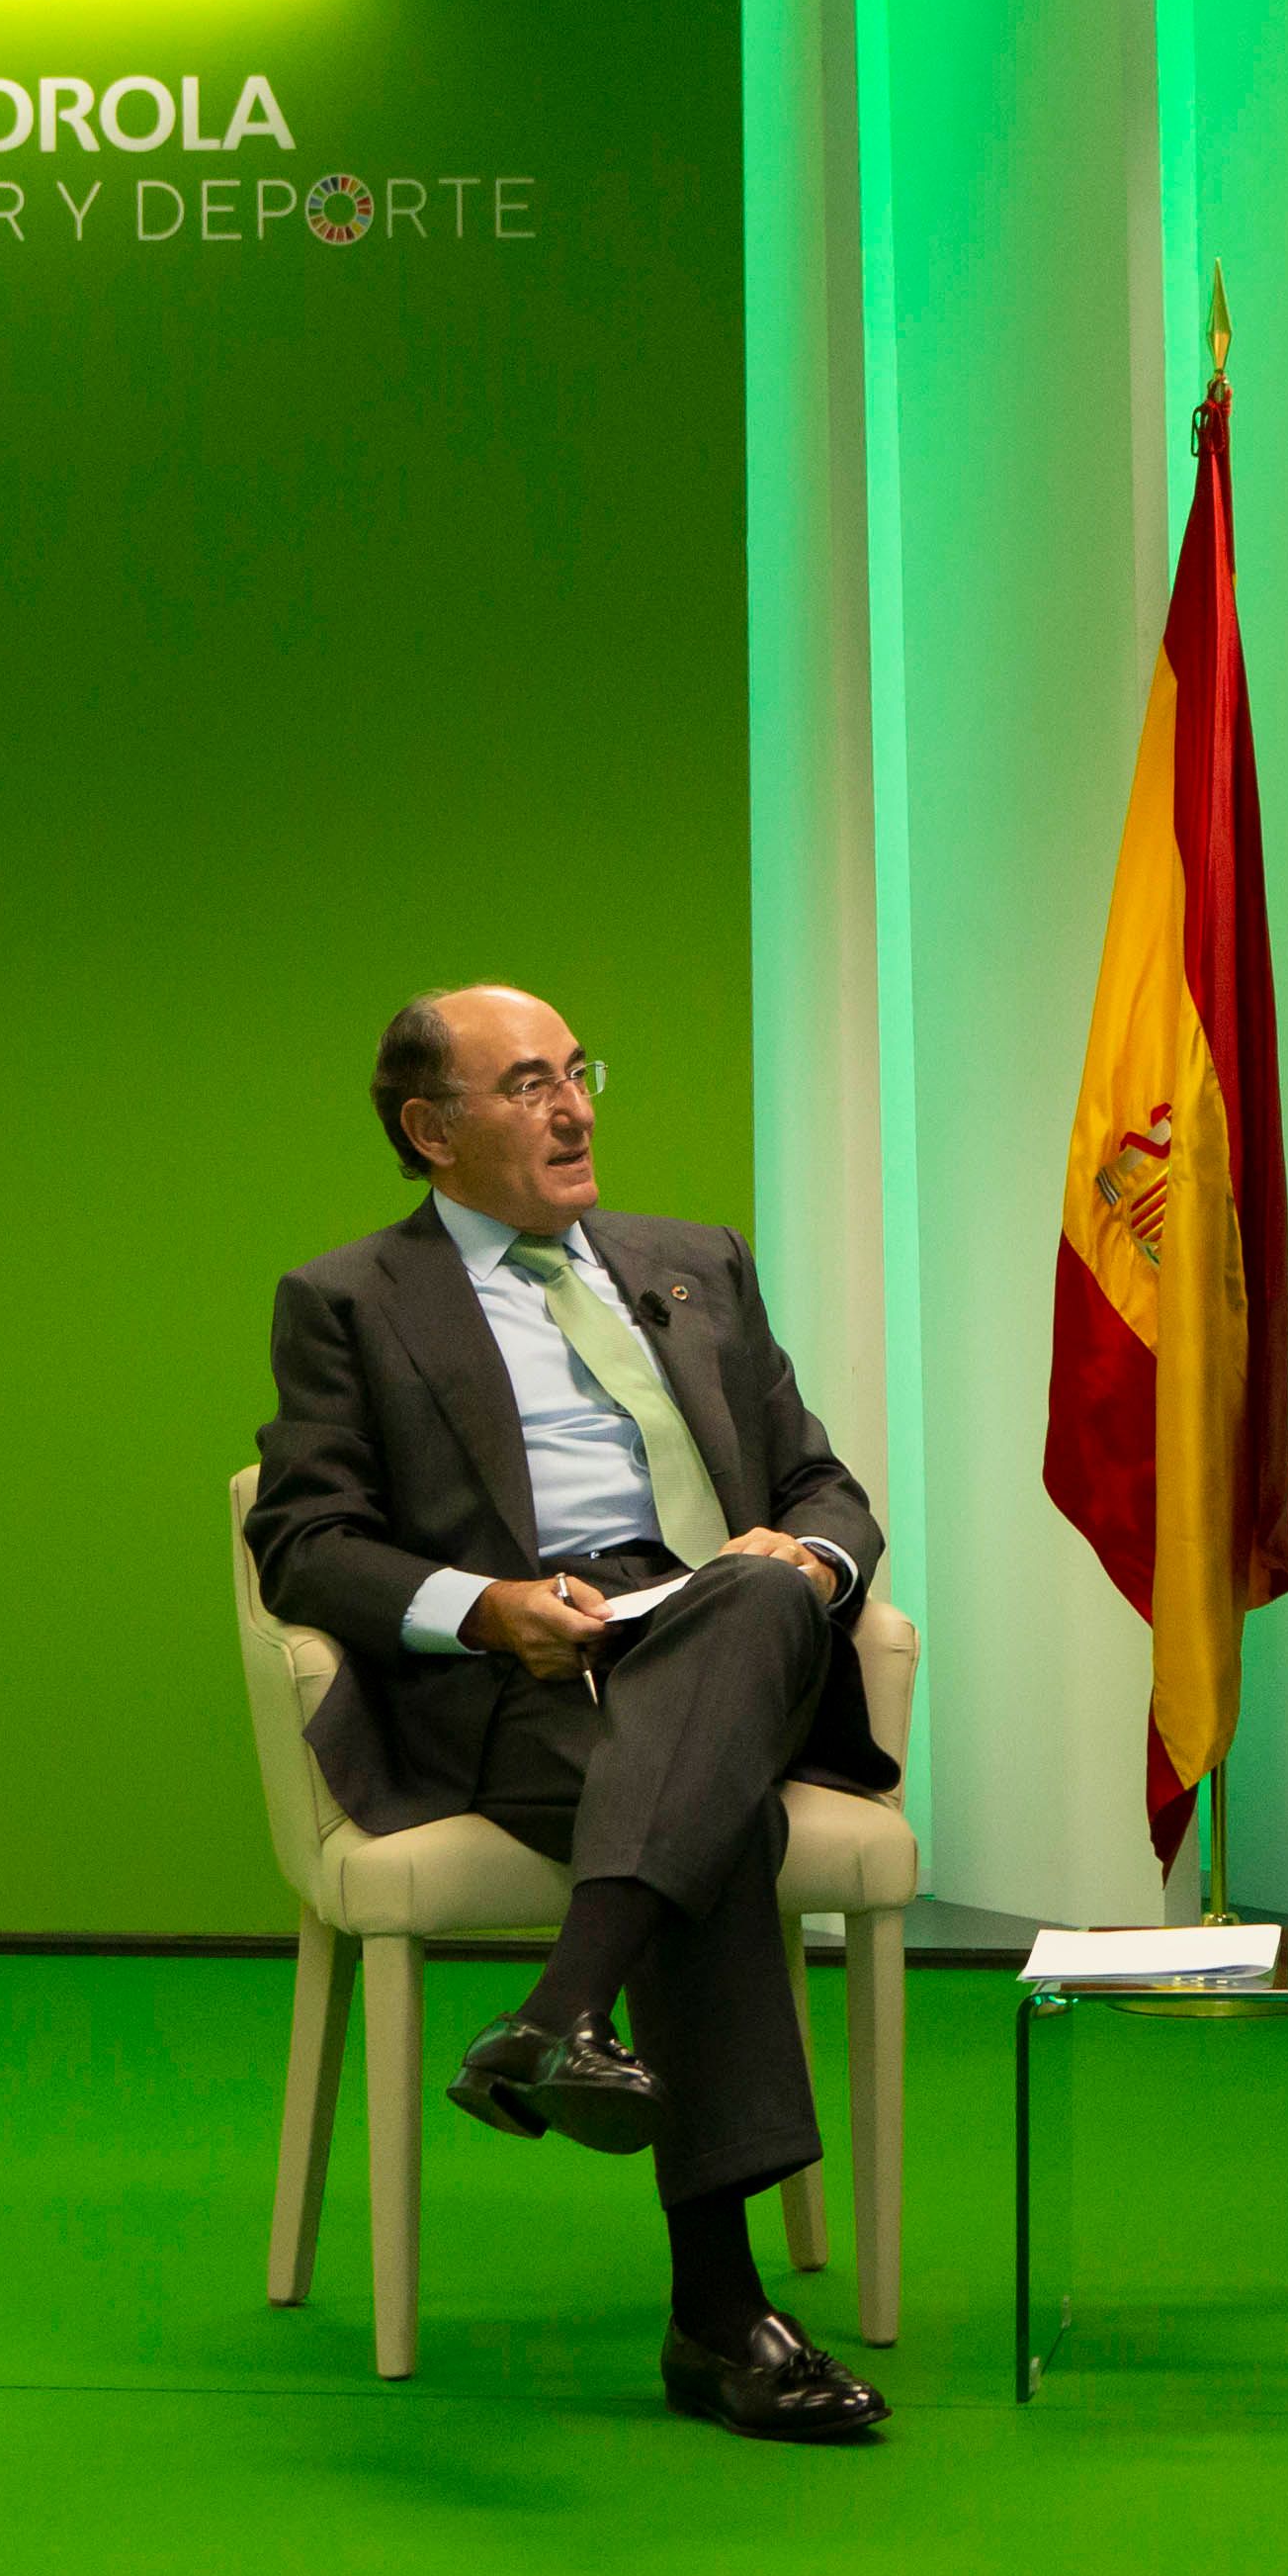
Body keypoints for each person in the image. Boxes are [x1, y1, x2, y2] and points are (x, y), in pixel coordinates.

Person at [247, 986, 901, 2446]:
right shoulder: (348, 1300)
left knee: (746, 1597)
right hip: (530, 1667)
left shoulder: (695, 1263)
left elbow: (820, 1484)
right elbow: (306, 1539)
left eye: (578, 1073)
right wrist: (484, 1605)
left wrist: (815, 1560)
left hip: (723, 1620)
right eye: (527, 1083)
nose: (577, 1108)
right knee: (705, 1811)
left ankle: (560, 2011)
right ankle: (718, 2316)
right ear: (431, 1131)